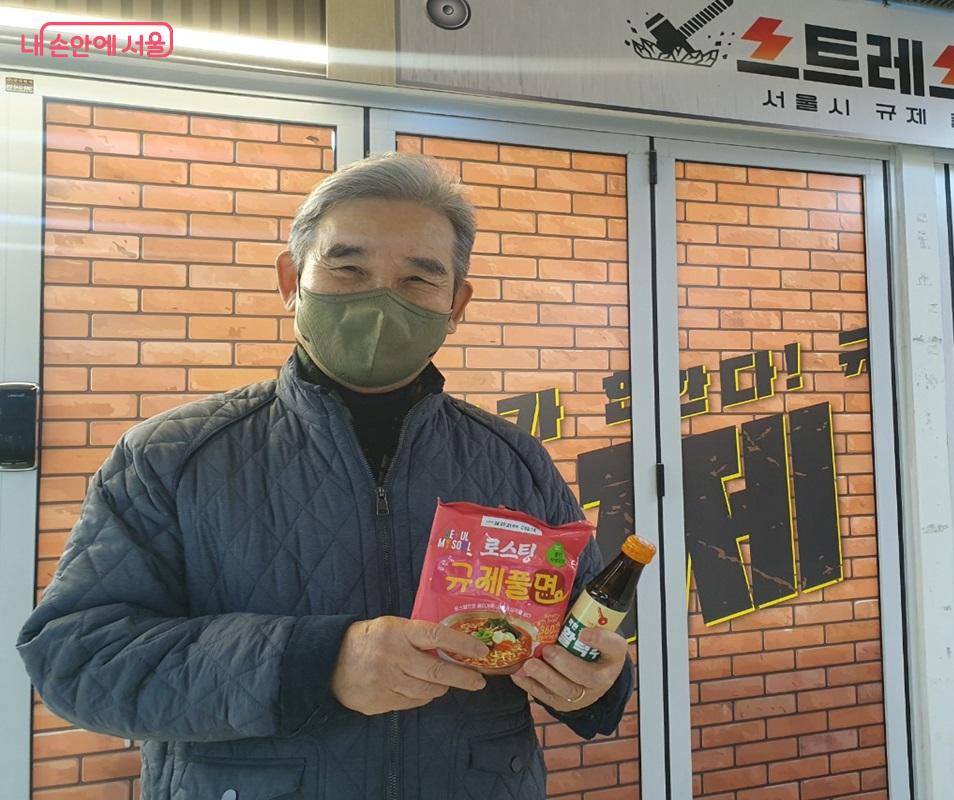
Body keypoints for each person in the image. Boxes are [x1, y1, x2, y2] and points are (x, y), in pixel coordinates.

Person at [16, 152, 634, 800]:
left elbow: (581, 632)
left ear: (456, 304)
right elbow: (77, 659)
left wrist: (597, 683)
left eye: (418, 278)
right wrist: (317, 663)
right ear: (292, 279)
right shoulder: (171, 458)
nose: (380, 300)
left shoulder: (515, 461)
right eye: (348, 268)